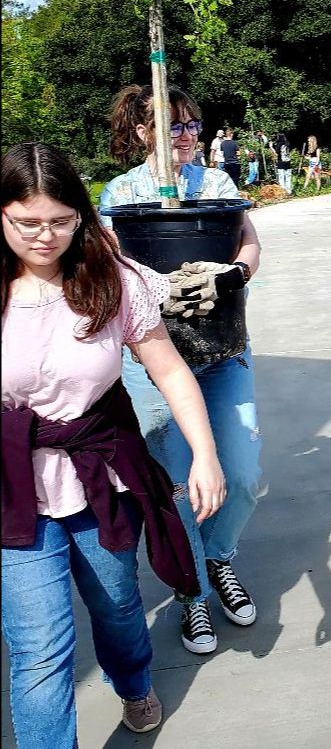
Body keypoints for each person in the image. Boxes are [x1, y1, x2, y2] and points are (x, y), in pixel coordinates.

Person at [1, 143, 226, 745]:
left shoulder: (112, 281)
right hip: (13, 490)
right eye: (27, 223)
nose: (45, 237)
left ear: (81, 216)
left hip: (100, 473)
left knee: (119, 606)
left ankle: (133, 681)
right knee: (41, 652)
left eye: (60, 221)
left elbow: (171, 371)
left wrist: (204, 454)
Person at [100, 84, 264, 652]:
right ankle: (193, 594)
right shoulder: (121, 194)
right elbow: (109, 257)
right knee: (179, 487)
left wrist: (232, 276)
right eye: (174, 128)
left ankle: (219, 559)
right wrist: (150, 288)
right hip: (154, 361)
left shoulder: (217, 185)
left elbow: (247, 239)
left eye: (193, 124)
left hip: (222, 350)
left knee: (241, 476)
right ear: (145, 134)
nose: (188, 135)